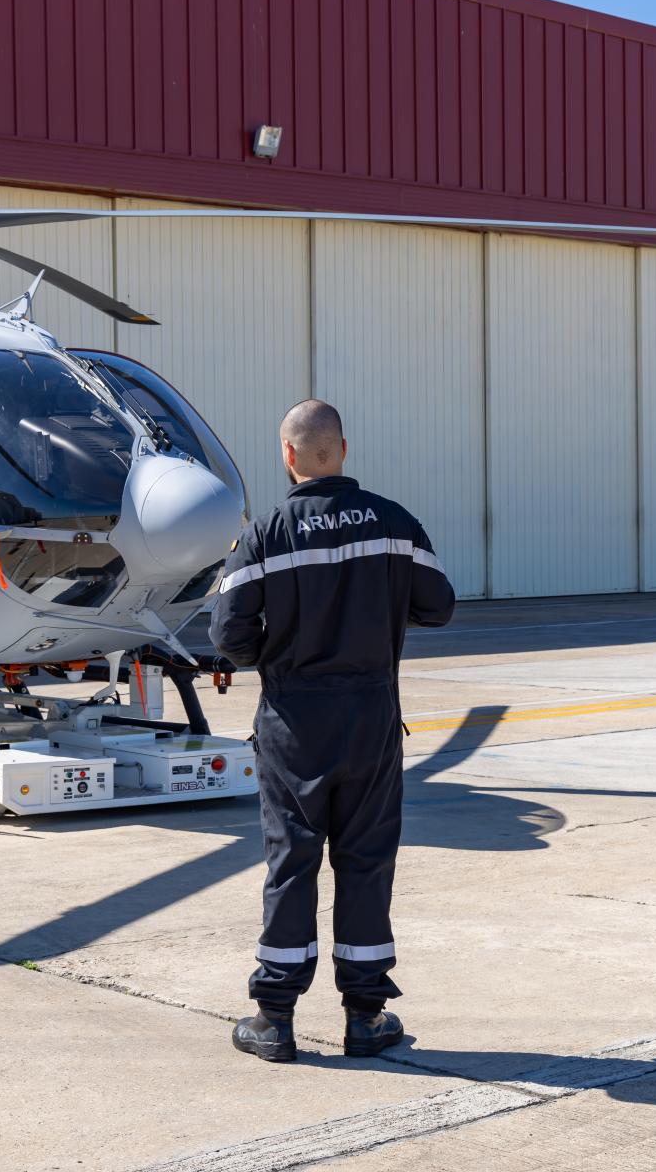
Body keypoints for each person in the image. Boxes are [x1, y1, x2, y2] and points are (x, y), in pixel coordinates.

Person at [210, 399, 456, 1062]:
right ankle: (366, 1017)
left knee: (291, 861)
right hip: (370, 719)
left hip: (294, 723)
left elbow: (229, 635)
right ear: (342, 450)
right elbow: (438, 607)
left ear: (288, 455)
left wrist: (282, 654)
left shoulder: (266, 534)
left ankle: (275, 1018)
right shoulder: (394, 523)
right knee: (366, 861)